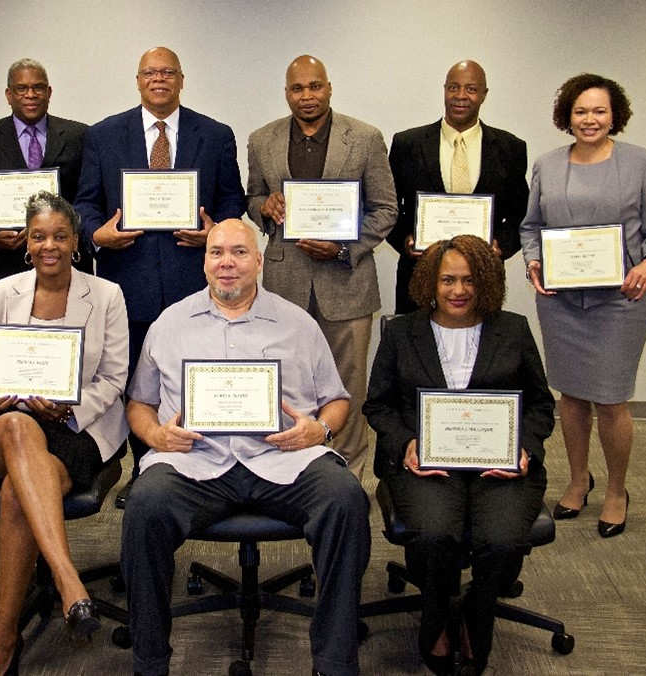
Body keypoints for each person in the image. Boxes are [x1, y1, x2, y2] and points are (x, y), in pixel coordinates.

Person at [122, 219, 371, 676]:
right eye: (217, 253)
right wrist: (156, 436)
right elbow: (140, 403)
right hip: (193, 462)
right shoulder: (170, 323)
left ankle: (335, 662)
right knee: (143, 507)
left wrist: (319, 430)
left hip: (285, 457)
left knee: (346, 500)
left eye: (239, 252)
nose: (227, 263)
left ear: (258, 261)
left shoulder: (298, 323)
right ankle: (150, 662)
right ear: (204, 262)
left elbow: (337, 400)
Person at [364, 235, 555, 675]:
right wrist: (407, 444)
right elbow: (379, 405)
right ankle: (437, 616)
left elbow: (542, 405)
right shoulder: (402, 332)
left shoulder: (513, 329)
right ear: (430, 282)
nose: (458, 290)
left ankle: (475, 615)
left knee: (502, 538)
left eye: (469, 280)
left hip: (500, 464)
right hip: (425, 464)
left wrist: (524, 448)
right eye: (447, 279)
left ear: (484, 283)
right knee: (434, 533)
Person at [0, 192, 129, 676]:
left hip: (74, 426)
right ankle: (69, 580)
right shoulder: (1, 293)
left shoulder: (107, 295)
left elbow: (114, 380)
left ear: (75, 241)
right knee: (14, 426)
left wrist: (67, 405)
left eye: (59, 235)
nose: (48, 245)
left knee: (18, 489)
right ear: (26, 245)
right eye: (38, 236)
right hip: (4, 424)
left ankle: (2, 638)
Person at [74, 46, 246, 504]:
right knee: (136, 384)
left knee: (195, 376)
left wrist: (215, 232)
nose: (159, 80)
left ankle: (202, 464)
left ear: (181, 79)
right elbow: (85, 204)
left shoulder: (214, 134)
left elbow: (233, 200)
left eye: (168, 72)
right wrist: (97, 235)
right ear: (138, 80)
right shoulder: (105, 134)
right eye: (150, 72)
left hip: (194, 282)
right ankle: (144, 470)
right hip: (126, 283)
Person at [520, 74, 646, 538]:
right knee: (570, 396)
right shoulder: (547, 165)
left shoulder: (642, 163)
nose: (590, 120)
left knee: (610, 400)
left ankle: (616, 489)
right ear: (567, 115)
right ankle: (578, 480)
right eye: (581, 111)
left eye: (599, 111)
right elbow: (531, 228)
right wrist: (533, 263)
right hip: (562, 302)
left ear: (615, 115)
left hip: (620, 301)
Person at [246, 54, 397, 478]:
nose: (307, 96)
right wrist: (265, 206)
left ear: (329, 88)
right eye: (297, 88)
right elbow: (252, 196)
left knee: (349, 383)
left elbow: (386, 208)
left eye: (315, 86)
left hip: (347, 280)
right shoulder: (262, 140)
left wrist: (345, 248)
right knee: (286, 379)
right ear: (287, 93)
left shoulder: (365, 138)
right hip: (283, 281)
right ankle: (288, 469)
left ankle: (347, 475)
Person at [388, 60, 529, 314]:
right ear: (444, 90)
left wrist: (501, 245)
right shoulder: (407, 143)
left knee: (481, 350)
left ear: (484, 95)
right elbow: (388, 206)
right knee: (416, 349)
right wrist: (406, 240)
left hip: (482, 280)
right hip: (419, 275)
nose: (461, 96)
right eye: (453, 87)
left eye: (471, 89)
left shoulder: (511, 148)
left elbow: (522, 213)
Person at [0, 59, 92, 284]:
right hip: (8, 264)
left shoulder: (79, 135)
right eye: (21, 88)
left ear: (49, 92)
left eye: (38, 88)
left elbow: (89, 195)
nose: (30, 94)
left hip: (67, 262)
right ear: (8, 94)